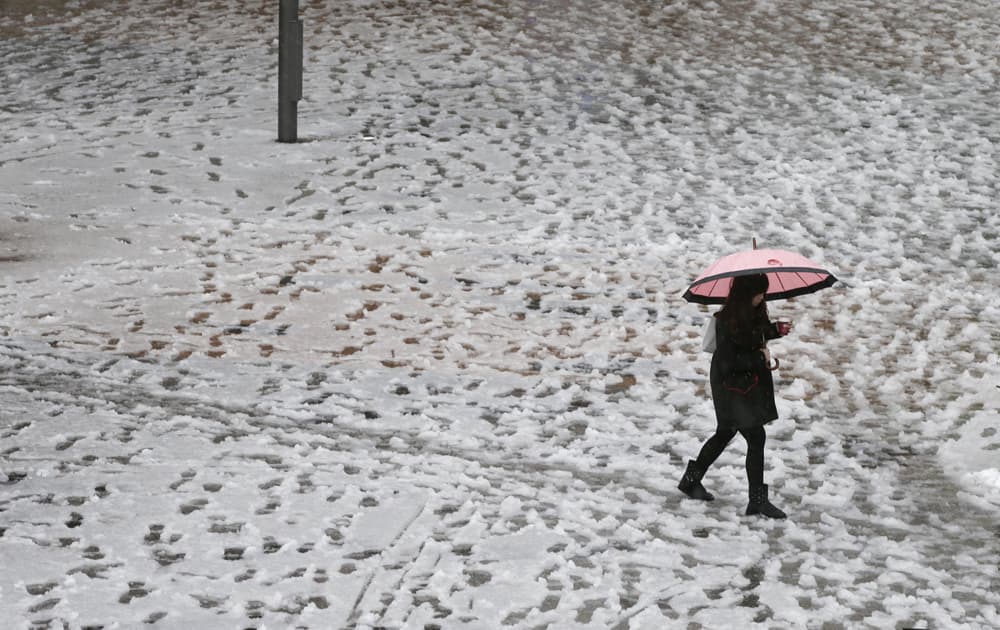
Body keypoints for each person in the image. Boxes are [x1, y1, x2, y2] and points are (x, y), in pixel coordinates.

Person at [678, 273, 790, 519]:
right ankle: (757, 501)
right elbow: (730, 360)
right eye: (759, 293)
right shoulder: (728, 320)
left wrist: (774, 331)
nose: (762, 297)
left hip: (743, 386)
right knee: (756, 436)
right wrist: (761, 357)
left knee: (725, 433)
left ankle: (691, 480)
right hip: (732, 387)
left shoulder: (751, 314)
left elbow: (751, 336)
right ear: (747, 294)